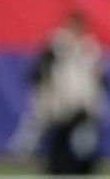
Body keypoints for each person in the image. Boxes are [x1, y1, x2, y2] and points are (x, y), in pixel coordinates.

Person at [11, 10, 106, 175]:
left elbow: (96, 76)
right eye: (72, 25)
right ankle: (29, 157)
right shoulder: (56, 43)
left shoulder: (89, 47)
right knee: (53, 137)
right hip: (58, 101)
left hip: (82, 103)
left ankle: (81, 167)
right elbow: (38, 70)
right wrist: (44, 91)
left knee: (82, 142)